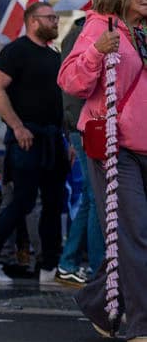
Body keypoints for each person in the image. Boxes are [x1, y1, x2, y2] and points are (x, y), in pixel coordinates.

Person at [58, 0, 147, 342]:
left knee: (133, 235)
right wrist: (96, 51)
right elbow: (70, 81)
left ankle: (99, 303)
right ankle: (142, 321)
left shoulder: (143, 30)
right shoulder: (100, 26)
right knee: (134, 233)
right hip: (114, 149)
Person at [0, 1, 67, 287]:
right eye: (50, 18)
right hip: (26, 140)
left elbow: (59, 101)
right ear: (33, 21)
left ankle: (49, 268)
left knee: (54, 204)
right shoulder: (15, 51)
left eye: (56, 17)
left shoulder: (54, 55)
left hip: (53, 140)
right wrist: (17, 126)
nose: (56, 21)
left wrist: (67, 137)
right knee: (22, 202)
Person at [57, 14, 103, 285]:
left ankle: (70, 261)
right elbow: (72, 85)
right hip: (89, 126)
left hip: (84, 126)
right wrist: (76, 129)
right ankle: (97, 269)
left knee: (92, 196)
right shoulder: (88, 30)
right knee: (97, 195)